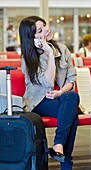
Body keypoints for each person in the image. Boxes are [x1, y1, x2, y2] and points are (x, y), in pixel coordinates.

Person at [19, 16, 79, 170]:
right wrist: (50, 54)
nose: (46, 30)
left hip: (60, 98)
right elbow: (47, 82)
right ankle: (66, 163)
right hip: (38, 101)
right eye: (40, 30)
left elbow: (71, 79)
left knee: (71, 96)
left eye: (45, 26)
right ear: (32, 39)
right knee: (71, 115)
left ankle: (58, 144)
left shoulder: (62, 48)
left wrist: (60, 93)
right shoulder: (28, 58)